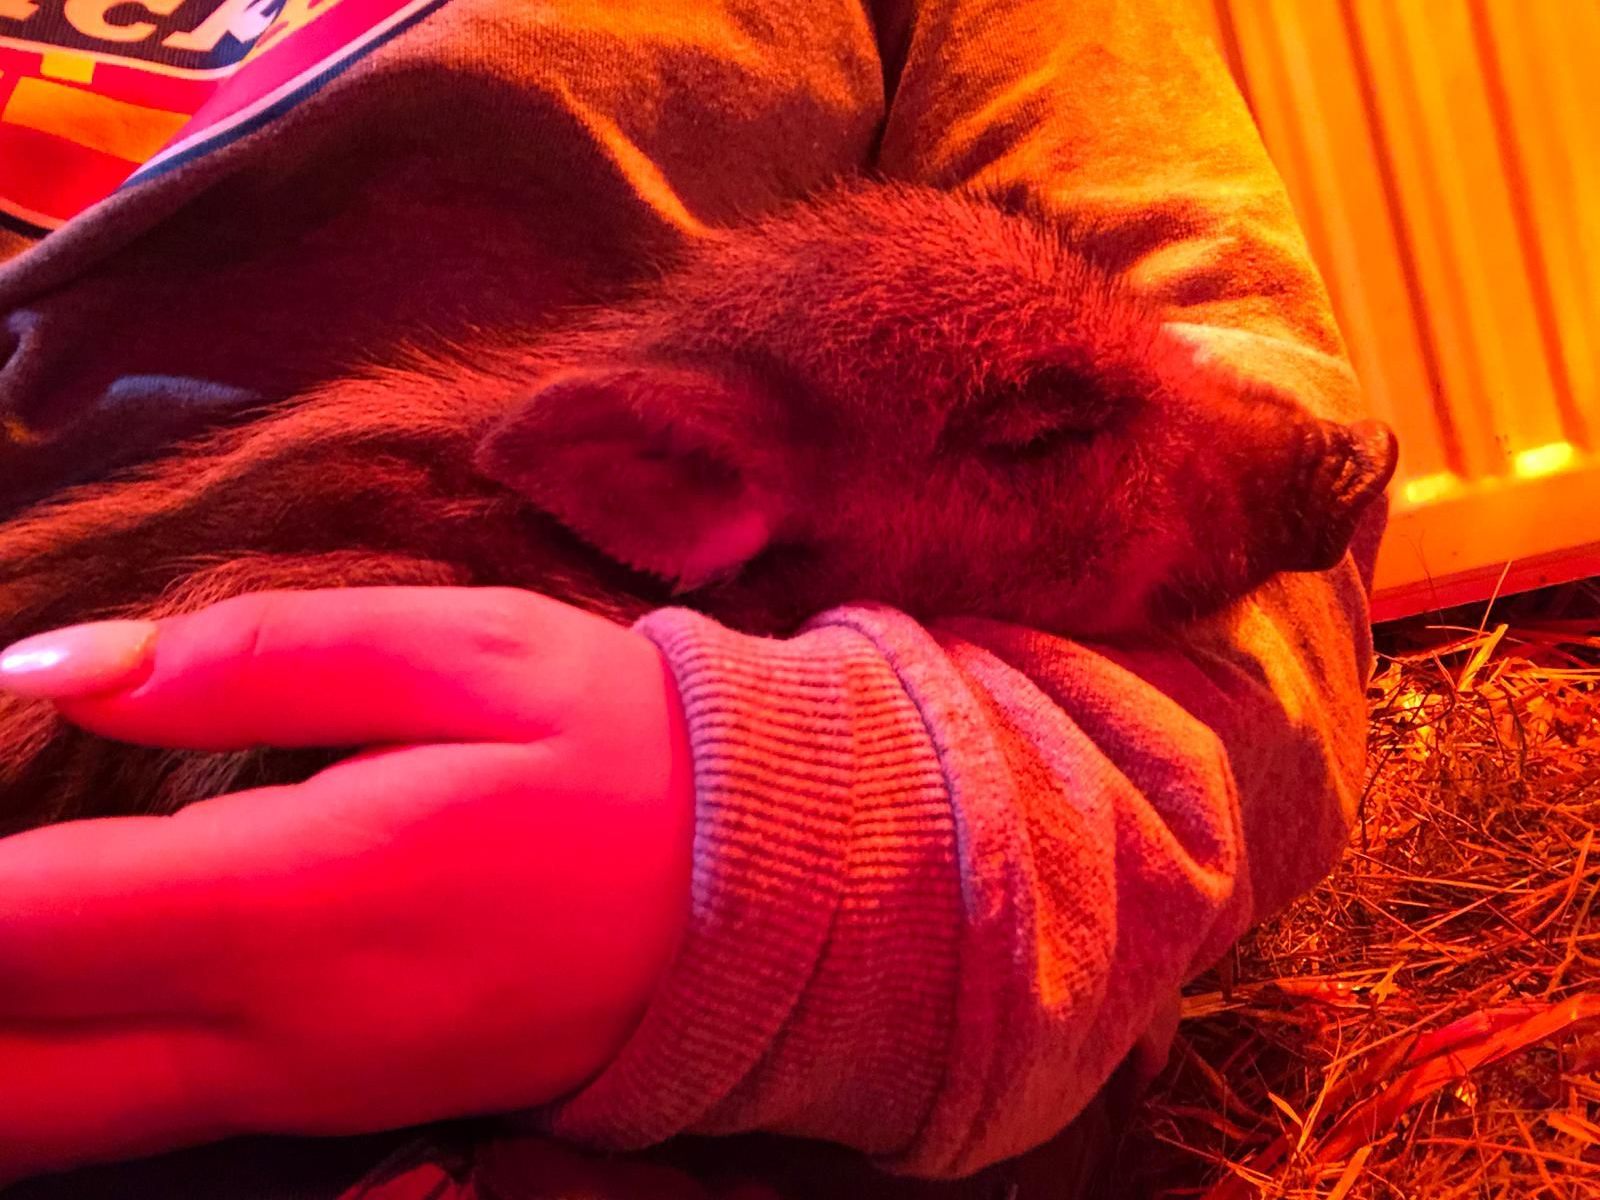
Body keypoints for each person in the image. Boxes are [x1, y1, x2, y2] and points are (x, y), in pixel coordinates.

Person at [0, 0, 1387, 1196]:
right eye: (1046, 437)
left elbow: (1227, 327)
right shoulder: (654, 462)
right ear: (664, 479)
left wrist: (824, 853)